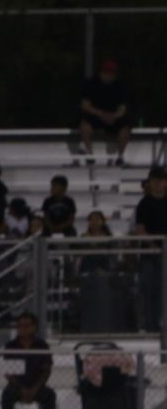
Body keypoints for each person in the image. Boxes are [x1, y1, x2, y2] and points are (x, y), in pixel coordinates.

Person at [1, 312, 55, 409]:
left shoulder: (42, 346)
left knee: (50, 395)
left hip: (37, 386)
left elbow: (46, 370)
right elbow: (9, 373)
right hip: (17, 386)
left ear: (34, 327)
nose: (23, 329)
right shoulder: (11, 346)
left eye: (26, 326)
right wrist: (21, 389)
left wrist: (35, 388)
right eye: (20, 326)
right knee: (7, 395)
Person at [133, 167, 167, 332]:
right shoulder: (144, 204)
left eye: (161, 181)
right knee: (149, 290)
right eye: (154, 181)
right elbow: (140, 229)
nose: (158, 184)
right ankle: (151, 325)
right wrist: (155, 246)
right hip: (150, 254)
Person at [80, 59, 131, 163]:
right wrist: (101, 114)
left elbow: (122, 108)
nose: (110, 76)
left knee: (126, 128)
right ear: (102, 73)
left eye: (112, 74)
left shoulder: (119, 86)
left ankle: (120, 156)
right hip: (95, 116)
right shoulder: (90, 83)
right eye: (108, 73)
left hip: (113, 117)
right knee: (84, 126)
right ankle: (90, 154)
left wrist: (114, 116)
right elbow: (85, 105)